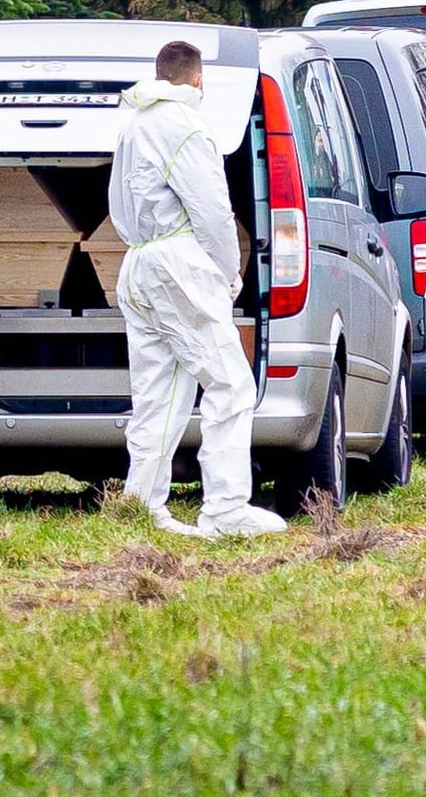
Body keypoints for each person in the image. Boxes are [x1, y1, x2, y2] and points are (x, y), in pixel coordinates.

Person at [111, 41, 286, 538]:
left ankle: (142, 505)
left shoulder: (134, 125)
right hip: (179, 263)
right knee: (230, 384)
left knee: (159, 393)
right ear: (197, 79)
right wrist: (231, 269)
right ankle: (226, 508)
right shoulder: (186, 128)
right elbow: (211, 210)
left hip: (139, 261)